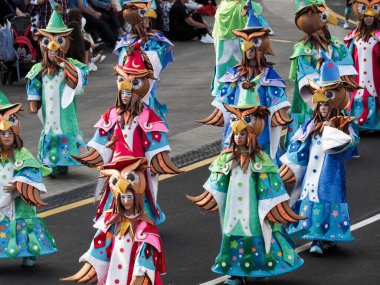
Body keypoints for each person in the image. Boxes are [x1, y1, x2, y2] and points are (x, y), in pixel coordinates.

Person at [188, 89, 304, 285]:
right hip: (232, 210)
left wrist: (271, 207)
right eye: (235, 133)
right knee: (231, 232)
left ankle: (257, 267)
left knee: (253, 233)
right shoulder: (226, 157)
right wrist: (209, 195)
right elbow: (219, 181)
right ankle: (235, 271)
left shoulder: (261, 159)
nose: (238, 137)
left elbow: (270, 186)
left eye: (242, 134)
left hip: (252, 209)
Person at [72, 42, 182, 226]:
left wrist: (157, 160)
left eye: (134, 84)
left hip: (138, 167)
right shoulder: (112, 115)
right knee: (116, 192)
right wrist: (94, 154)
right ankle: (115, 219)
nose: (126, 94)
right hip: (116, 166)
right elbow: (101, 137)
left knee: (138, 193)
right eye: (123, 88)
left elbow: (155, 141)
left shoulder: (148, 116)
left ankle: (140, 222)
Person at [280, 53, 360, 254]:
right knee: (310, 200)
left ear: (333, 104)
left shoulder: (342, 123)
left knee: (326, 200)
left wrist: (336, 134)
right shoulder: (311, 124)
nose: (323, 108)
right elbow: (298, 143)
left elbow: (353, 141)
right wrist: (290, 160)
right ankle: (316, 239)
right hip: (311, 175)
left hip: (330, 174)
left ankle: (325, 238)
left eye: (327, 104)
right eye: (321, 105)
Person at [61, 156, 166, 284]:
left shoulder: (145, 226)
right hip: (114, 272)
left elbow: (145, 257)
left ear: (137, 197)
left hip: (131, 273)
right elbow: (102, 243)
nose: (126, 201)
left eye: (129, 197)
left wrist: (137, 277)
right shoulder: (112, 220)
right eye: (123, 197)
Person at [198, 27, 292, 164]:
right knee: (235, 147)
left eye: (252, 49)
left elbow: (275, 99)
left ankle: (262, 179)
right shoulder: (235, 74)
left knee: (261, 146)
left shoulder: (268, 76)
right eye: (247, 49)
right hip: (238, 120)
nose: (249, 53)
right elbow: (226, 97)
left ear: (259, 50)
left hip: (259, 123)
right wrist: (219, 111)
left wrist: (278, 114)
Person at [25, 3, 89, 177]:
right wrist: (33, 100)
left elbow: (80, 80)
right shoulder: (40, 68)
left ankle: (63, 162)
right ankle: (51, 163)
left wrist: (69, 71)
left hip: (65, 109)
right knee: (50, 127)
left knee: (64, 127)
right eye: (48, 42)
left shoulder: (70, 66)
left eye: (58, 41)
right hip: (48, 108)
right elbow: (34, 83)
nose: (53, 49)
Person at [286, 0, 359, 143]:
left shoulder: (334, 44)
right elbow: (305, 71)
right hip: (313, 90)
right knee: (313, 113)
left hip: (332, 87)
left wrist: (337, 82)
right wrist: (319, 86)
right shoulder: (303, 48)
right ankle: (309, 142)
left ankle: (337, 141)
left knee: (333, 111)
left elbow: (343, 61)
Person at [0, 92, 57, 267]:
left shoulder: (22, 154)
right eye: (3, 134)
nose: (7, 136)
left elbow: (33, 172)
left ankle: (30, 253)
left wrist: (19, 186)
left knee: (23, 223)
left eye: (10, 133)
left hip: (19, 200)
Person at [344, 0, 380, 131]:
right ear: (362, 18)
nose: (368, 19)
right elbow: (346, 57)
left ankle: (375, 124)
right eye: (366, 16)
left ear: (374, 17)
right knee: (359, 95)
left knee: (374, 94)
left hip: (376, 76)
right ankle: (358, 124)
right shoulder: (353, 37)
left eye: (370, 16)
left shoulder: (378, 36)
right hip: (358, 76)